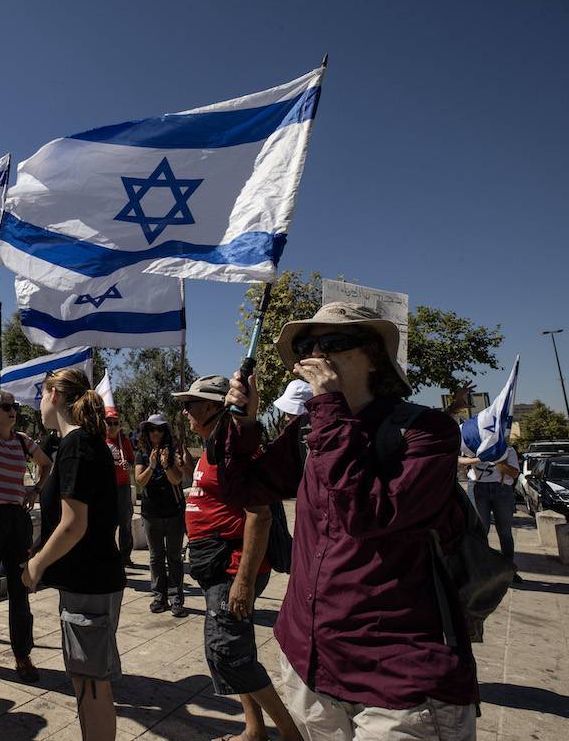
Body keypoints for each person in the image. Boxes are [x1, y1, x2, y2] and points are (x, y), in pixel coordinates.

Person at [218, 302, 478, 740]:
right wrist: (243, 424)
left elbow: (366, 514)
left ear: (374, 356)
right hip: (311, 665)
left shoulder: (426, 431)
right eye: (307, 344)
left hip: (399, 679)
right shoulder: (311, 430)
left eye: (334, 342)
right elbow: (244, 491)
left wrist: (329, 410)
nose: (318, 353)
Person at [171, 376, 302, 741]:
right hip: (215, 566)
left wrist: (243, 581)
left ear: (214, 407)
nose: (186, 410)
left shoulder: (234, 452)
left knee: (227, 653)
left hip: (232, 569)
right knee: (237, 653)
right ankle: (254, 728)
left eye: (192, 403)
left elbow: (259, 514)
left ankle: (292, 735)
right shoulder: (213, 449)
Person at [23, 368, 125, 741]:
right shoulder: (80, 442)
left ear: (54, 396)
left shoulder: (76, 444)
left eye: (41, 394)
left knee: (91, 684)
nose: (38, 405)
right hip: (90, 582)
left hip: (89, 584)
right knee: (87, 680)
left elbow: (73, 525)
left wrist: (36, 565)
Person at [0, 390, 52, 682]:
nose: (13, 411)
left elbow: (46, 463)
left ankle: (22, 655)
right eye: (7, 407)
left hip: (17, 521)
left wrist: (35, 490)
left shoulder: (23, 440)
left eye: (15, 406)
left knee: (20, 589)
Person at [134, 413, 187, 616]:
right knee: (156, 557)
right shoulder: (142, 454)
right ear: (146, 432)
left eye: (159, 429)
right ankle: (159, 596)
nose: (155, 433)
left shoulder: (173, 453)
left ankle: (176, 598)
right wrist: (152, 465)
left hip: (173, 512)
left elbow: (177, 480)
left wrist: (165, 465)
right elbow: (140, 480)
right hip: (151, 513)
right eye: (151, 429)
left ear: (165, 431)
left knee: (173, 557)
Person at [461, 445, 521, 573]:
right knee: (481, 531)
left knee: (505, 532)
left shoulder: (507, 450)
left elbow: (514, 473)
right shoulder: (473, 449)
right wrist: (477, 459)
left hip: (502, 489)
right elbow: (460, 460)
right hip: (478, 488)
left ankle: (509, 570)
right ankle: (481, 570)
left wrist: (498, 460)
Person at [103, 408, 136, 570]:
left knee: (125, 522)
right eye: (109, 423)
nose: (112, 426)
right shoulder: (101, 441)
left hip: (123, 487)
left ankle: (125, 555)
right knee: (108, 523)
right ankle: (109, 553)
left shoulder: (124, 441)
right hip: (106, 488)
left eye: (115, 423)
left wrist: (128, 465)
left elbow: (131, 460)